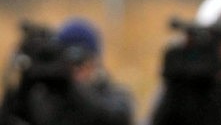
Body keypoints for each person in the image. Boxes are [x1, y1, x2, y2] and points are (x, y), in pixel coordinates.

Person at [0, 18, 134, 125]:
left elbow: (113, 117)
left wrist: (68, 85)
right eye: (67, 62)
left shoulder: (115, 97)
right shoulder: (43, 101)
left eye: (80, 61)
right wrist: (22, 86)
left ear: (96, 62)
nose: (75, 69)